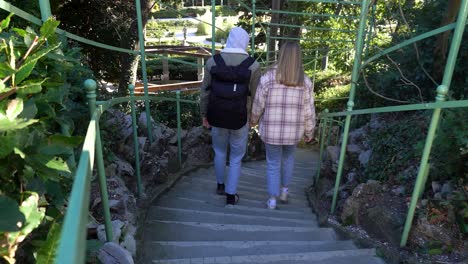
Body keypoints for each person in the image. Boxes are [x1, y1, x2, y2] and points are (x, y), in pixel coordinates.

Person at [250, 42, 316, 210]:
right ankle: (285, 191)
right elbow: (309, 111)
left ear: (281, 54)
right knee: (288, 160)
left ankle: (272, 199)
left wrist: (253, 120)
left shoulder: (267, 78)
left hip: (271, 132)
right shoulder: (305, 81)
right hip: (293, 133)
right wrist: (310, 131)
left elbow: (258, 103)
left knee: (273, 163)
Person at [200, 27, 261, 206]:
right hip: (240, 118)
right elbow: (256, 95)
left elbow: (204, 92)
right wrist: (253, 118)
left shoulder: (212, 62)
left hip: (217, 115)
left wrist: (204, 114)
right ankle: (231, 195)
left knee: (219, 151)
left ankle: (220, 185)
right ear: (245, 42)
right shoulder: (253, 65)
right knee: (236, 157)